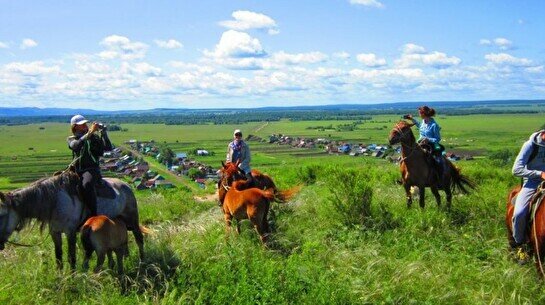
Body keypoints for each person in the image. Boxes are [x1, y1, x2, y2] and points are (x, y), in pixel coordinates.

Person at [67, 114, 112, 217]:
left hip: (91, 169)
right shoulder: (71, 139)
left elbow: (108, 148)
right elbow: (76, 146)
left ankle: (93, 215)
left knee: (86, 184)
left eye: (85, 123)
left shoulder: (93, 137)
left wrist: (104, 133)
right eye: (81, 124)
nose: (84, 125)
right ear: (75, 127)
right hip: (76, 169)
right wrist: (90, 133)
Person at [511, 130, 545, 263]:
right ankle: (520, 245)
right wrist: (540, 174)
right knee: (519, 213)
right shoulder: (531, 145)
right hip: (532, 182)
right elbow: (516, 169)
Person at [405, 106, 445, 176]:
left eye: (420, 113)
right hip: (421, 143)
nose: (419, 115)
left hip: (432, 145)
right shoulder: (423, 122)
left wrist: (428, 139)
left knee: (437, 161)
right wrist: (412, 119)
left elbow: (438, 139)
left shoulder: (434, 125)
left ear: (424, 114)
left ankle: (440, 177)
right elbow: (419, 125)